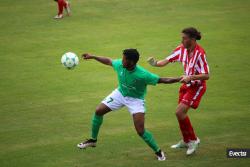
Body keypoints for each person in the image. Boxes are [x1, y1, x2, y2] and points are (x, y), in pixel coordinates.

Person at [77, 48, 182, 161]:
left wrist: (180, 79)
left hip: (135, 100)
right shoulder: (120, 65)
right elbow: (108, 61)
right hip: (120, 94)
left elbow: (162, 80)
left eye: (124, 59)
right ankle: (93, 140)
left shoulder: (142, 74)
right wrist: (93, 56)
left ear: (131, 62)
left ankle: (158, 151)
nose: (121, 60)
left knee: (140, 131)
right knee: (98, 111)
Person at [147, 27, 210, 155]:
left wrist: (190, 77)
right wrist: (155, 63)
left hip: (197, 86)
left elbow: (206, 75)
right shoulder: (181, 49)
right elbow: (166, 61)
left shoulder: (200, 53)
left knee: (179, 112)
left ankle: (193, 140)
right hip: (186, 85)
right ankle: (186, 140)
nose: (182, 40)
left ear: (192, 39)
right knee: (179, 114)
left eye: (184, 38)